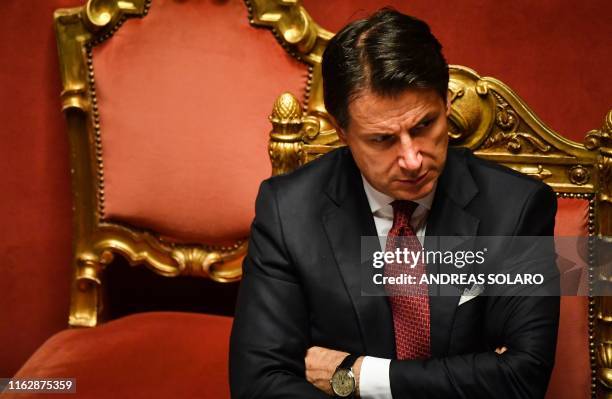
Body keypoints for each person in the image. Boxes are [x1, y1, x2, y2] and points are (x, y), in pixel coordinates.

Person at [230, 8, 559, 399]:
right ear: (342, 132)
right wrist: (472, 373)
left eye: (424, 126)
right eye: (382, 140)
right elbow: (258, 383)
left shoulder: (519, 208)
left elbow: (522, 378)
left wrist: (357, 376)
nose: (412, 159)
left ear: (447, 104)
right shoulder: (287, 210)